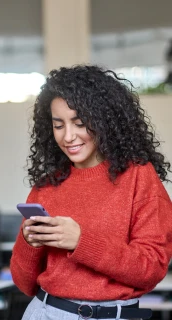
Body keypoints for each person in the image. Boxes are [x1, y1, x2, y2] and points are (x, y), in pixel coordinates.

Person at [10, 65, 172, 320]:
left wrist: (81, 242)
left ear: (105, 121)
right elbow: (24, 284)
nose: (69, 137)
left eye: (80, 123)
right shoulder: (47, 186)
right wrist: (29, 244)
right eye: (58, 125)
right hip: (45, 312)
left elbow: (151, 269)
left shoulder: (139, 177)